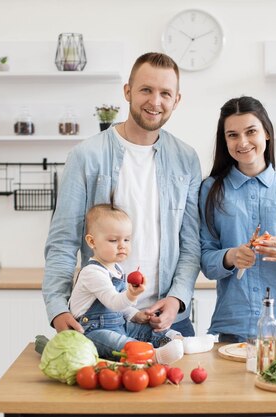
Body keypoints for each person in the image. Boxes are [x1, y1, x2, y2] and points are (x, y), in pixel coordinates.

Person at [43, 52, 202, 338]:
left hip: (168, 321)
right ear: (127, 91)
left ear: (176, 100)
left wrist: (177, 299)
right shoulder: (86, 156)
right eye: (146, 90)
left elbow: (191, 245)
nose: (155, 102)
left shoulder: (186, 159)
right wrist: (57, 308)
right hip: (99, 321)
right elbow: (63, 242)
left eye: (165, 93)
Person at [199, 96, 276, 343]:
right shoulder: (212, 190)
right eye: (232, 135)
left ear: (266, 133)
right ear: (225, 141)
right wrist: (231, 256)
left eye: (251, 131)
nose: (242, 142)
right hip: (236, 322)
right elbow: (205, 259)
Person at [68, 203, 184, 363]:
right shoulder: (92, 273)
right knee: (121, 343)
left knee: (146, 329)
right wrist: (131, 294)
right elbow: (114, 302)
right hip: (92, 332)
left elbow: (118, 310)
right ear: (92, 241)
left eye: (127, 239)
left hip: (118, 325)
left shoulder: (117, 269)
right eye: (113, 240)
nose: (122, 245)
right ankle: (154, 356)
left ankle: (179, 341)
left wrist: (135, 314)